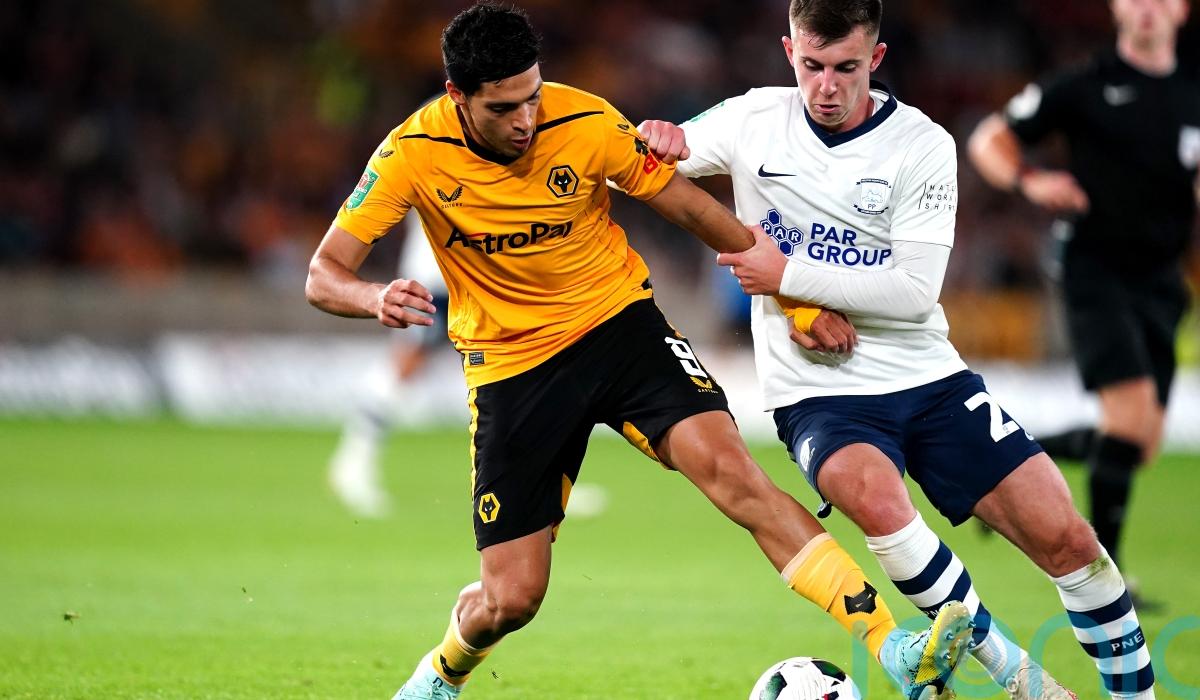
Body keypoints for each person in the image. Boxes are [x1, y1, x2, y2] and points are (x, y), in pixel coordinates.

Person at [305, 4, 975, 699]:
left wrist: (797, 299)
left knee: (735, 473)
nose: (527, 119)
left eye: (533, 96)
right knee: (512, 598)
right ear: (457, 97)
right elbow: (323, 274)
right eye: (504, 108)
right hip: (513, 367)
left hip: (620, 329)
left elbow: (691, 208)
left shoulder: (585, 120)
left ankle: (890, 645)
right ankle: (442, 673)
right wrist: (372, 297)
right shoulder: (411, 153)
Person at [637, 0, 1157, 697]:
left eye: (845, 68)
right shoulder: (751, 118)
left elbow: (913, 291)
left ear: (875, 59)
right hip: (819, 390)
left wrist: (787, 278)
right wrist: (657, 136)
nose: (826, 86)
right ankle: (1026, 684)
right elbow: (637, 164)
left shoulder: (921, 144)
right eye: (812, 66)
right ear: (789, 52)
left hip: (928, 375)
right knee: (873, 497)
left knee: (1068, 539)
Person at [967, 0, 1197, 594]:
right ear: (1117, 8)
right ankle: (1106, 583)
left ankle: (1009, 464)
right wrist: (1030, 179)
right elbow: (989, 139)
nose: (1148, 10)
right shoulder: (1084, 85)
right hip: (1096, 271)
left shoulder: (1192, 90)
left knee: (1139, 444)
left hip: (1162, 280)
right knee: (1129, 416)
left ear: (1182, 10)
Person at [327, 211, 456, 519]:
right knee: (407, 362)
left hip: (474, 273)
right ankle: (353, 460)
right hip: (438, 275)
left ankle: (544, 478)